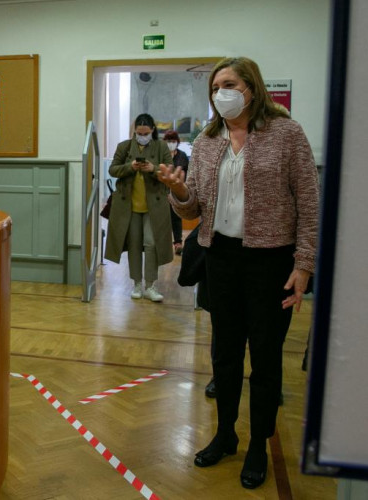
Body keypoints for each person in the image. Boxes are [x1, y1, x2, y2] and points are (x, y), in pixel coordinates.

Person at [158, 57, 319, 490]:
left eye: (227, 84)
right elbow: (195, 209)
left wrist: (304, 265)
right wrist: (178, 193)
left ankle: (258, 446)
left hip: (271, 262)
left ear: (251, 87)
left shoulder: (287, 134)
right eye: (213, 87)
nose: (219, 93)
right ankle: (226, 434)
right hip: (221, 258)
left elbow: (308, 204)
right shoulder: (208, 140)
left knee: (265, 360)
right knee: (224, 356)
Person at [104, 113, 174, 302]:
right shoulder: (124, 146)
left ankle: (151, 285)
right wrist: (130, 167)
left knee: (151, 243)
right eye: (139, 133)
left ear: (152, 131)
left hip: (154, 206)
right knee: (134, 245)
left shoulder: (161, 147)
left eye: (145, 133)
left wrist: (153, 169)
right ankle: (136, 284)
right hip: (129, 206)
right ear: (134, 131)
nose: (142, 136)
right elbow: (113, 170)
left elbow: (170, 170)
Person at [163, 130, 189, 255]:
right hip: (162, 191)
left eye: (173, 141)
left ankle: (178, 243)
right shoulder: (161, 155)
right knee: (162, 218)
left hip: (176, 190)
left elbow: (185, 172)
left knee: (176, 216)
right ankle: (161, 244)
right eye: (168, 141)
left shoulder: (182, 155)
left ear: (177, 142)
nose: (171, 144)